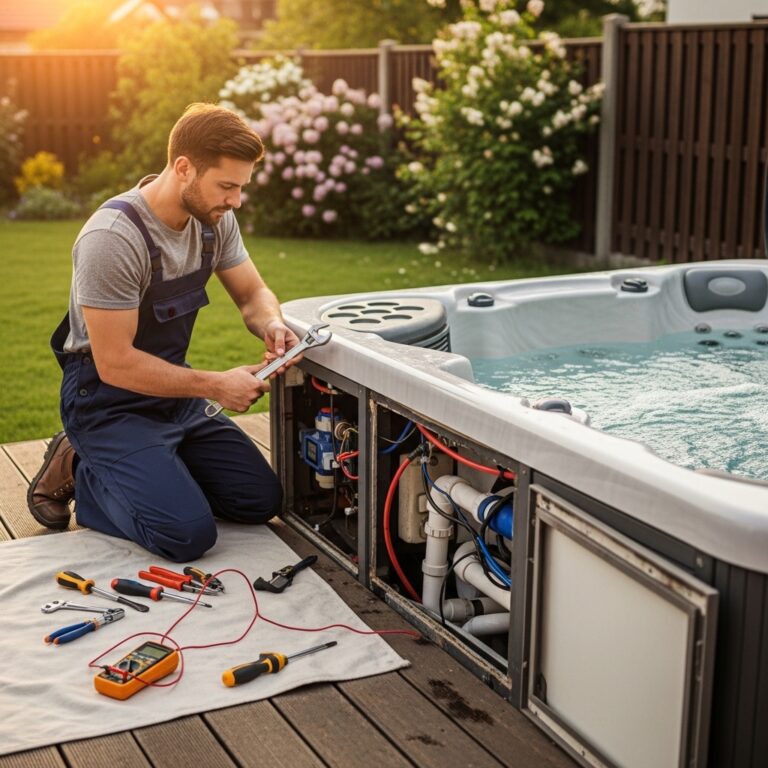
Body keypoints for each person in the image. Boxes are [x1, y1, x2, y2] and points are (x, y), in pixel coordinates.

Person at [26, 103, 302, 562]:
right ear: (184, 168)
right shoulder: (113, 238)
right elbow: (114, 363)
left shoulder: (215, 221)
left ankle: (155, 470)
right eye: (227, 186)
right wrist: (217, 384)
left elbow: (254, 294)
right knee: (185, 535)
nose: (236, 201)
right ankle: (79, 462)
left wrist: (272, 322)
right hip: (106, 404)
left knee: (260, 502)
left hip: (173, 396)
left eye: (241, 187)